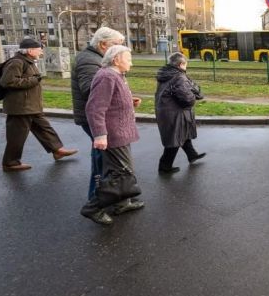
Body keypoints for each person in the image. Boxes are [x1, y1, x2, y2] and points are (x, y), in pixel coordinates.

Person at [80, 45, 144, 226]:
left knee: (122, 172)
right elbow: (94, 108)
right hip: (114, 135)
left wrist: (129, 102)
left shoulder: (116, 75)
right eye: (128, 58)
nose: (131, 62)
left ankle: (121, 204)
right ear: (116, 59)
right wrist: (100, 135)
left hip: (121, 133)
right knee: (121, 174)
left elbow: (111, 101)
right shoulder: (107, 76)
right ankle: (92, 208)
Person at [0, 37, 77, 171]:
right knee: (17, 136)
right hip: (20, 108)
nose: (41, 52)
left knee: (44, 128)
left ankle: (57, 150)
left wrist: (33, 80)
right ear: (30, 50)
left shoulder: (28, 61)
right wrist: (33, 80)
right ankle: (10, 163)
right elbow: (7, 81)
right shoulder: (17, 62)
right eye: (39, 49)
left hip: (30, 106)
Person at [71, 27, 125, 199]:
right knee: (102, 160)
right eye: (117, 45)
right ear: (103, 44)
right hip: (95, 119)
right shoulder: (90, 61)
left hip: (99, 117)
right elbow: (92, 92)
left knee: (104, 158)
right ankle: (96, 200)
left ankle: (109, 198)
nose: (121, 49)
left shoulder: (96, 58)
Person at [155, 52, 207, 174]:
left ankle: (192, 155)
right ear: (181, 64)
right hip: (175, 112)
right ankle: (164, 166)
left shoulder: (166, 73)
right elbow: (187, 99)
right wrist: (194, 97)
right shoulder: (179, 77)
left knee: (182, 134)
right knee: (175, 138)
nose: (186, 67)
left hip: (165, 110)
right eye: (186, 64)